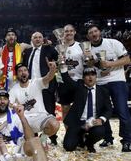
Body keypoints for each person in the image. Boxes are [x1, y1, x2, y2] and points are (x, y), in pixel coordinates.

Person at [86, 24, 131, 152]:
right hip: (100, 82)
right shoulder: (87, 48)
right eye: (90, 32)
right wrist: (89, 59)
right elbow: (92, 66)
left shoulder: (113, 43)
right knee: (103, 112)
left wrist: (110, 64)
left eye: (95, 31)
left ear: (99, 32)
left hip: (117, 80)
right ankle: (108, 138)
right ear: (88, 36)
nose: (94, 34)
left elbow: (128, 59)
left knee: (122, 110)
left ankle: (127, 141)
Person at [61, 66, 112, 152]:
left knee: (100, 131)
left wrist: (101, 119)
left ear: (96, 77)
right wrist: (63, 67)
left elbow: (109, 109)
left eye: (93, 75)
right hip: (77, 122)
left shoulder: (103, 91)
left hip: (93, 122)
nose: (90, 77)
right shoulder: (78, 86)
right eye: (87, 75)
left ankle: (89, 143)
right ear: (83, 78)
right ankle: (80, 138)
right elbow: (67, 80)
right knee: (68, 147)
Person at [9, 62, 60, 140]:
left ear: (28, 73)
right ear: (16, 75)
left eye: (25, 70)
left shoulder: (36, 82)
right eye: (20, 71)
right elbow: (9, 104)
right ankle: (33, 140)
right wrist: (15, 106)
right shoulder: (14, 89)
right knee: (31, 146)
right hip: (25, 120)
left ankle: (42, 139)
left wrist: (52, 69)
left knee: (55, 124)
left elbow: (48, 77)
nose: (23, 72)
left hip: (40, 116)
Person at [56, 24, 84, 121]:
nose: (69, 33)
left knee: (80, 108)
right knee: (65, 109)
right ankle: (68, 134)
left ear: (74, 32)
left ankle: (79, 133)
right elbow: (55, 66)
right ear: (63, 33)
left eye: (71, 31)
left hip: (78, 80)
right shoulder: (58, 48)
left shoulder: (81, 46)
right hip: (63, 82)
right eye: (66, 31)